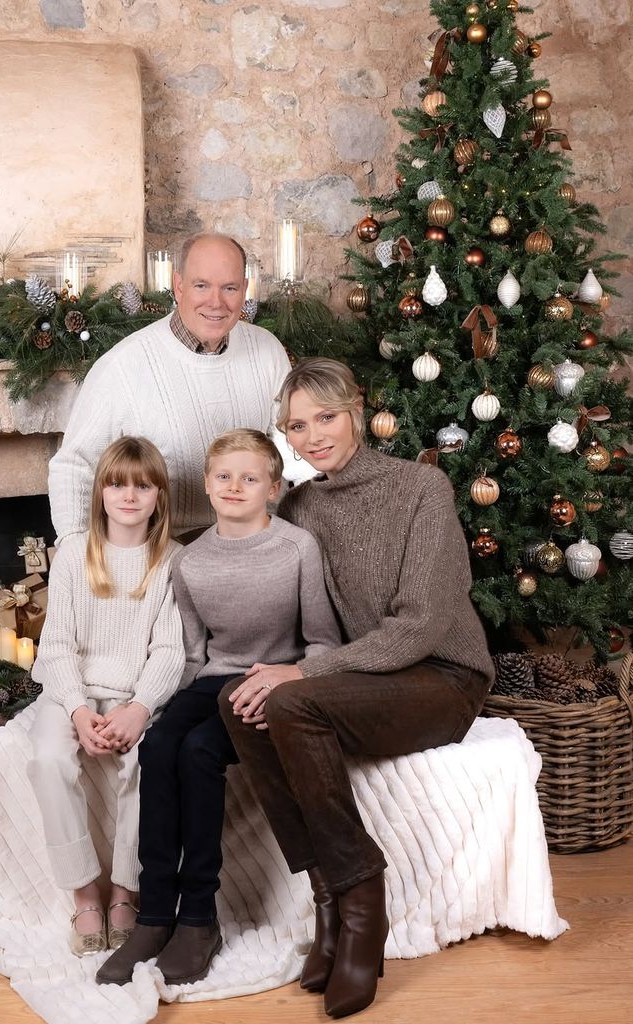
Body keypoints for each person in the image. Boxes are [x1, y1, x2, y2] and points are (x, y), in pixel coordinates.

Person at [219, 359, 495, 1019]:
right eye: (296, 426)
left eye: (325, 417)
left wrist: (307, 671)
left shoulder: (421, 487)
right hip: (363, 677)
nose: (313, 436)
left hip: (440, 676)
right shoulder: (301, 505)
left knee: (290, 697)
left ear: (355, 410)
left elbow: (420, 627)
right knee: (239, 700)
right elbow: (276, 596)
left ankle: (360, 895)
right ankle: (326, 897)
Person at [97, 428, 340, 987]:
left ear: (273, 488)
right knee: (161, 745)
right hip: (211, 681)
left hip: (272, 682)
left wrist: (290, 681)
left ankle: (199, 919)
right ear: (206, 485)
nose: (235, 486)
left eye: (249, 478)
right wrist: (150, 706)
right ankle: (155, 915)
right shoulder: (191, 561)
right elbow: (190, 654)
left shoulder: (296, 548)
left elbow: (323, 640)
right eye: (224, 476)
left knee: (201, 752)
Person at [27, 436, 185, 957]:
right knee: (49, 757)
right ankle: (84, 893)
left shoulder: (172, 561)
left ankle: (124, 891)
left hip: (137, 696)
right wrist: (75, 710)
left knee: (151, 760)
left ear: (160, 495)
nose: (129, 496)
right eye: (117, 484)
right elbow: (57, 645)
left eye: (143, 485)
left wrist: (139, 709)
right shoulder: (74, 553)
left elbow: (168, 649)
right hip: (69, 693)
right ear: (100, 493)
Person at [47, 232, 310, 544]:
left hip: (253, 538)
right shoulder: (122, 365)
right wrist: (74, 551)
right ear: (179, 285)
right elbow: (75, 464)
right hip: (164, 551)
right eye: (202, 286)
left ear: (244, 290)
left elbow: (291, 448)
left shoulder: (267, 350)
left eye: (229, 288)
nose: (216, 302)